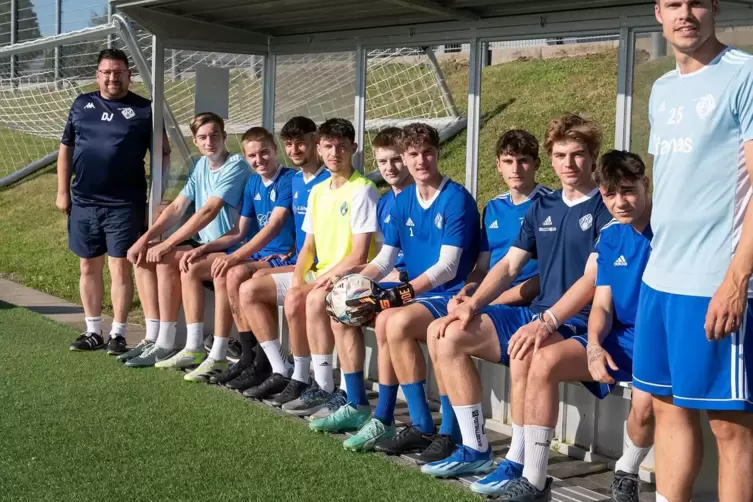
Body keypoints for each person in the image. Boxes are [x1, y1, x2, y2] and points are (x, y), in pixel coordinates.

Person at [425, 113, 612, 487]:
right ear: (552, 158)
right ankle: (476, 449)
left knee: (528, 349)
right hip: (538, 312)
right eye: (561, 155)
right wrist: (472, 304)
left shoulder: (604, 207)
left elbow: (593, 279)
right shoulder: (543, 205)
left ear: (593, 157)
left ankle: (517, 459)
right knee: (446, 334)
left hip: (580, 319)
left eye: (577, 155)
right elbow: (509, 265)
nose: (569, 164)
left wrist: (547, 322)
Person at [632, 2, 753, 500]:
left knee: (730, 428)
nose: (687, 14)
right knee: (667, 409)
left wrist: (736, 279)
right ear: (658, 11)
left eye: (697, 1)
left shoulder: (744, 75)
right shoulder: (662, 89)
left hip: (713, 280)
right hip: (660, 279)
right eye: (675, 3)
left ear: (715, 8)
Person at [489, 150, 655, 501]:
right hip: (619, 339)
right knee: (541, 359)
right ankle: (534, 480)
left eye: (628, 190)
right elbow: (603, 305)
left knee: (645, 407)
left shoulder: (668, 232)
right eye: (610, 195)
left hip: (660, 341)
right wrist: (594, 345)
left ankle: (626, 469)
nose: (620, 202)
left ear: (646, 184)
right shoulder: (611, 236)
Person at [311, 123, 481, 463]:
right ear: (406, 158)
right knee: (344, 307)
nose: (422, 161)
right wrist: (355, 280)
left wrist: (399, 293)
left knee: (393, 321)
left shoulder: (456, 198)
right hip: (418, 291)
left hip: (447, 292)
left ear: (438, 153)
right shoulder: (402, 202)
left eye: (428, 153)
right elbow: (386, 257)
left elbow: (448, 267)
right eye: (414, 154)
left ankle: (438, 427)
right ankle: (372, 410)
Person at [241, 118, 380, 407]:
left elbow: (359, 255)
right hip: (321, 272)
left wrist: (311, 283)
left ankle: (324, 384)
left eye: (342, 147)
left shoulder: (363, 189)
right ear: (319, 148)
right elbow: (307, 247)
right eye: (328, 146)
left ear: (353, 148)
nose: (334, 153)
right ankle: (293, 374)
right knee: (250, 291)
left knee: (312, 299)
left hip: (352, 276)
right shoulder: (318, 190)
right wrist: (297, 280)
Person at [153, 126, 297, 382]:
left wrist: (234, 256)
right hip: (258, 253)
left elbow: (274, 226)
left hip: (281, 258)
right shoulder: (253, 182)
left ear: (275, 150)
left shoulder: (289, 179)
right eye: (252, 156)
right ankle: (213, 351)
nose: (259, 160)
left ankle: (251, 358)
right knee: (194, 264)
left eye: (264, 153)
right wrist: (206, 248)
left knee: (233, 272)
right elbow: (240, 230)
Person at [59, 48, 170, 355]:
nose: (112, 77)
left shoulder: (146, 110)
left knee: (120, 268)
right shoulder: (82, 104)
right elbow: (66, 148)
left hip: (124, 204)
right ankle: (93, 330)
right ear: (98, 76)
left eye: (118, 72)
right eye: (106, 72)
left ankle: (118, 333)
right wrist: (62, 191)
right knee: (87, 267)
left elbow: (163, 154)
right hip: (83, 201)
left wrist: (156, 199)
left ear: (128, 75)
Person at [119, 112, 250, 368]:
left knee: (168, 258)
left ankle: (171, 344)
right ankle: (153, 336)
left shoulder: (236, 165)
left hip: (231, 245)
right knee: (143, 258)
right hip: (205, 243)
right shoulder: (201, 165)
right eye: (202, 137)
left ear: (224, 136)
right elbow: (177, 207)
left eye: (214, 135)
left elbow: (208, 211)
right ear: (195, 141)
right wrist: (145, 240)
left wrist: (168, 243)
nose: (209, 141)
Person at [224, 117, 330, 390]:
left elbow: (278, 226)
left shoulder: (328, 180)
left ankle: (293, 373)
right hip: (299, 261)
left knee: (248, 285)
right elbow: (303, 228)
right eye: (290, 144)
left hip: (321, 269)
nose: (295, 150)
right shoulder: (298, 181)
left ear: (315, 143)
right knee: (242, 283)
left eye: (301, 144)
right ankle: (274, 366)